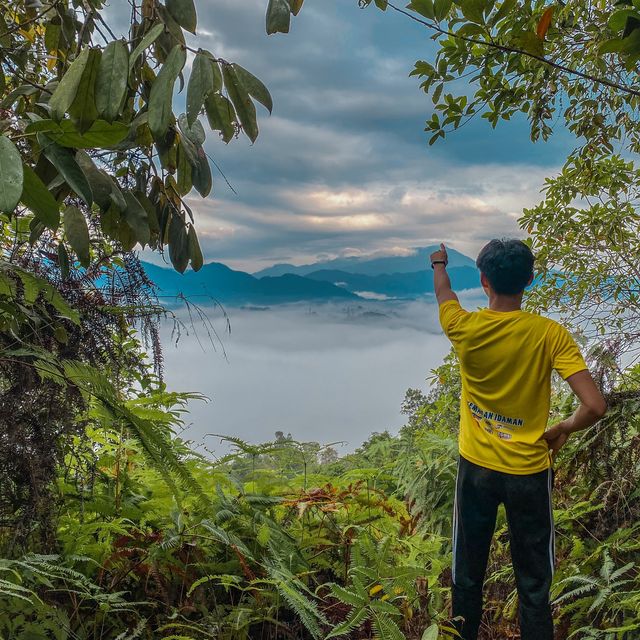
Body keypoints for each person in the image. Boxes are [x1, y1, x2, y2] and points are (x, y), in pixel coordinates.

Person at [430, 239, 607, 640]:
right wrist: (563, 427)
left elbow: (445, 293)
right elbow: (594, 406)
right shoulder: (549, 334)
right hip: (528, 472)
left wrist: (439, 262)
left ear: (484, 280)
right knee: (533, 583)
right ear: (529, 278)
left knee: (467, 574)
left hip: (475, 469)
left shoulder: (464, 327)